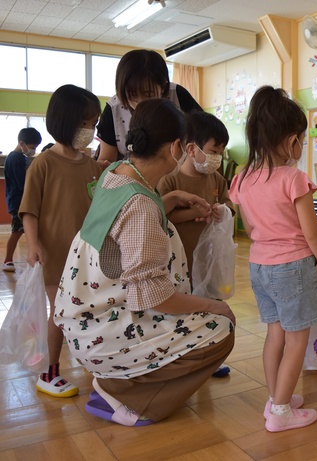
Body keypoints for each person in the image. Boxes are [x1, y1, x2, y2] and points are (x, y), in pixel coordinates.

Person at [55, 98, 235, 427]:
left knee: (204, 315)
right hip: (103, 329)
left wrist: (172, 199)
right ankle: (127, 396)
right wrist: (212, 306)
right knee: (220, 329)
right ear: (178, 147)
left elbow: (124, 225)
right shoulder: (142, 207)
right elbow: (152, 297)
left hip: (84, 317)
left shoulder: (116, 173)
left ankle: (117, 381)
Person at [229, 86, 317, 432]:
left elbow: (250, 227)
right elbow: (312, 234)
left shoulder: (243, 179)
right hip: (293, 267)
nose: (303, 145)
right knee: (297, 340)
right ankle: (280, 412)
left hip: (259, 266)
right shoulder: (294, 179)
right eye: (303, 139)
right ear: (291, 140)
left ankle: (277, 397)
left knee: (275, 334)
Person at [19, 84, 103, 398]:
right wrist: (33, 244)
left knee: (86, 310)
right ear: (65, 121)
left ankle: (94, 363)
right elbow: (29, 210)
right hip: (55, 255)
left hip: (86, 257)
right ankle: (49, 372)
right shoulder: (43, 164)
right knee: (61, 311)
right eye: (85, 123)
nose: (90, 130)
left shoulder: (90, 165)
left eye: (93, 124)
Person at [158, 110, 233, 280]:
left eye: (221, 153)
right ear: (191, 149)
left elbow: (228, 205)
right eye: (214, 152)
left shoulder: (217, 180)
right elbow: (163, 217)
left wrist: (221, 210)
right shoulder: (170, 180)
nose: (218, 158)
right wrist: (195, 213)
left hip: (210, 258)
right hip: (179, 257)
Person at [96, 49, 202, 163]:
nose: (141, 103)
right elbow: (106, 161)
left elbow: (205, 132)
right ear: (122, 90)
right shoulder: (114, 109)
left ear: (163, 88)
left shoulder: (177, 94)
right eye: (132, 94)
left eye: (149, 94)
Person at [3, 127, 42, 272]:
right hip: (18, 201)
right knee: (17, 231)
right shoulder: (14, 158)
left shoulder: (23, 158)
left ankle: (36, 256)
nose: (33, 150)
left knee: (32, 230)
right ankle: (7, 260)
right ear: (22, 143)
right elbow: (22, 183)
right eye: (32, 147)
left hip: (25, 200)